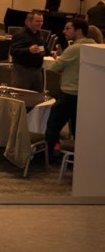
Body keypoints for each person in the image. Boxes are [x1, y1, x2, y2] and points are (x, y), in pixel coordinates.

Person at [44, 19, 93, 161]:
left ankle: (50, 156)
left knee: (53, 125)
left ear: (78, 30)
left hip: (69, 94)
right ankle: (78, 159)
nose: (64, 32)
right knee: (78, 129)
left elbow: (54, 67)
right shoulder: (94, 46)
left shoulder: (74, 49)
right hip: (85, 95)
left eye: (67, 29)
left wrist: (60, 59)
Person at [9, 10, 46, 91]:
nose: (40, 23)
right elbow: (13, 51)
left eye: (41, 21)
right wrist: (28, 50)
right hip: (23, 71)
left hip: (37, 71)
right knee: (21, 96)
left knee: (36, 97)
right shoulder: (20, 34)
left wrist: (50, 52)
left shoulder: (39, 34)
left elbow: (42, 47)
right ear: (28, 22)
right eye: (37, 21)